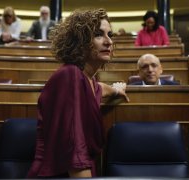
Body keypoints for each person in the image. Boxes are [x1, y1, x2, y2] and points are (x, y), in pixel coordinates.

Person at [27, 8, 129, 178]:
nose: (109, 41)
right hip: (63, 174)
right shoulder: (70, 75)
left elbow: (97, 88)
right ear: (79, 41)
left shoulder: (84, 78)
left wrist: (116, 90)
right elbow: (74, 147)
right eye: (98, 35)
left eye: (109, 34)